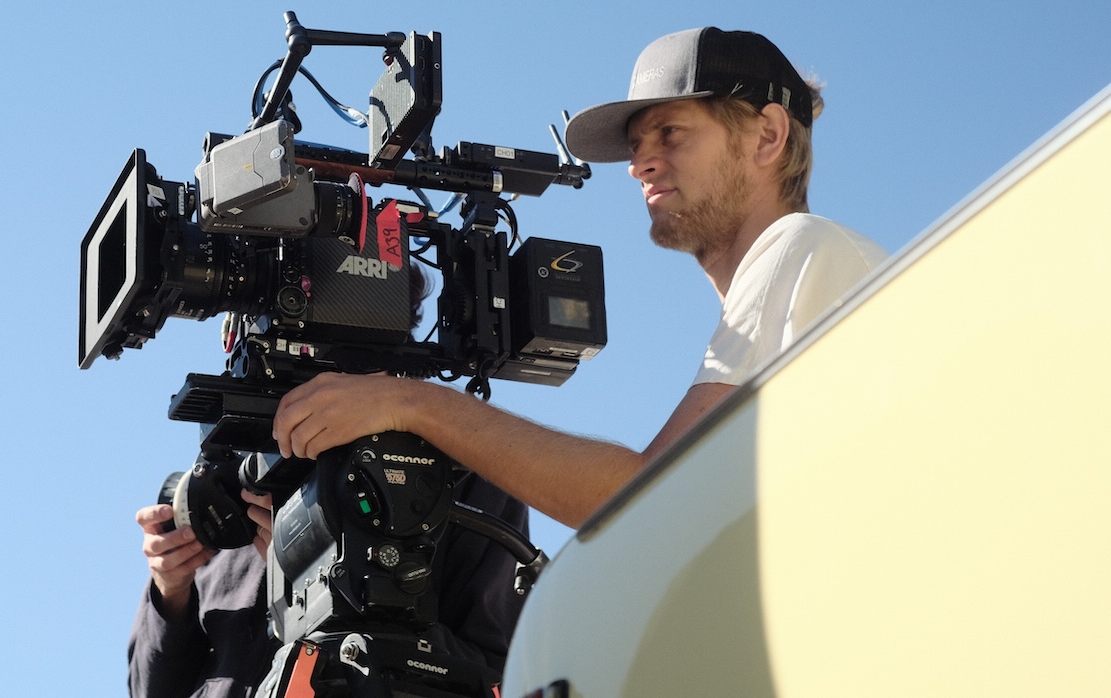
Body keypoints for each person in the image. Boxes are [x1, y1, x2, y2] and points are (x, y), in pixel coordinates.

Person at [269, 27, 890, 528]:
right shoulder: (799, 275)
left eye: (671, 133)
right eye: (637, 144)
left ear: (768, 136)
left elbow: (646, 499)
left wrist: (408, 402)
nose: (640, 164)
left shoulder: (800, 246)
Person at [129, 476, 529, 698]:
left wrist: (330, 590)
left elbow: (493, 674)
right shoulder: (228, 490)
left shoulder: (459, 474)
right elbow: (147, 690)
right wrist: (170, 590)